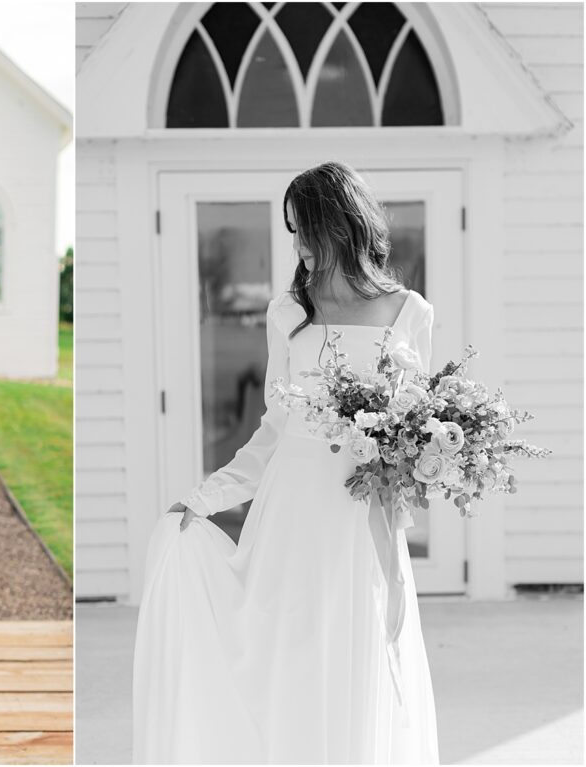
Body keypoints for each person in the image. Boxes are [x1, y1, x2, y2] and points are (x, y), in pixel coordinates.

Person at [132, 161, 440, 764]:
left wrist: (406, 485)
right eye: (292, 231)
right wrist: (206, 497)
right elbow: (274, 431)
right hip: (290, 513)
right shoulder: (286, 314)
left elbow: (415, 429)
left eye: (307, 231)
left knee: (354, 651)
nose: (298, 247)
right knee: (284, 654)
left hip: (359, 517)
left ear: (343, 227)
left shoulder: (409, 312)